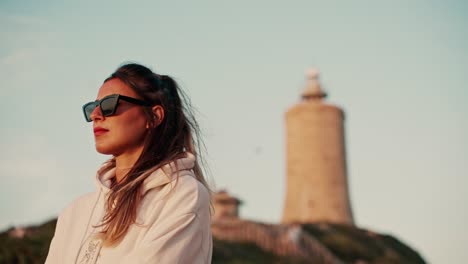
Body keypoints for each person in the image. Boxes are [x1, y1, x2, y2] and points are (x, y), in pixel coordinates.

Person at [45, 63, 213, 264]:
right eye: (93, 107)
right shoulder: (74, 213)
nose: (95, 115)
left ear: (154, 116)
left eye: (109, 104)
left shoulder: (182, 195)